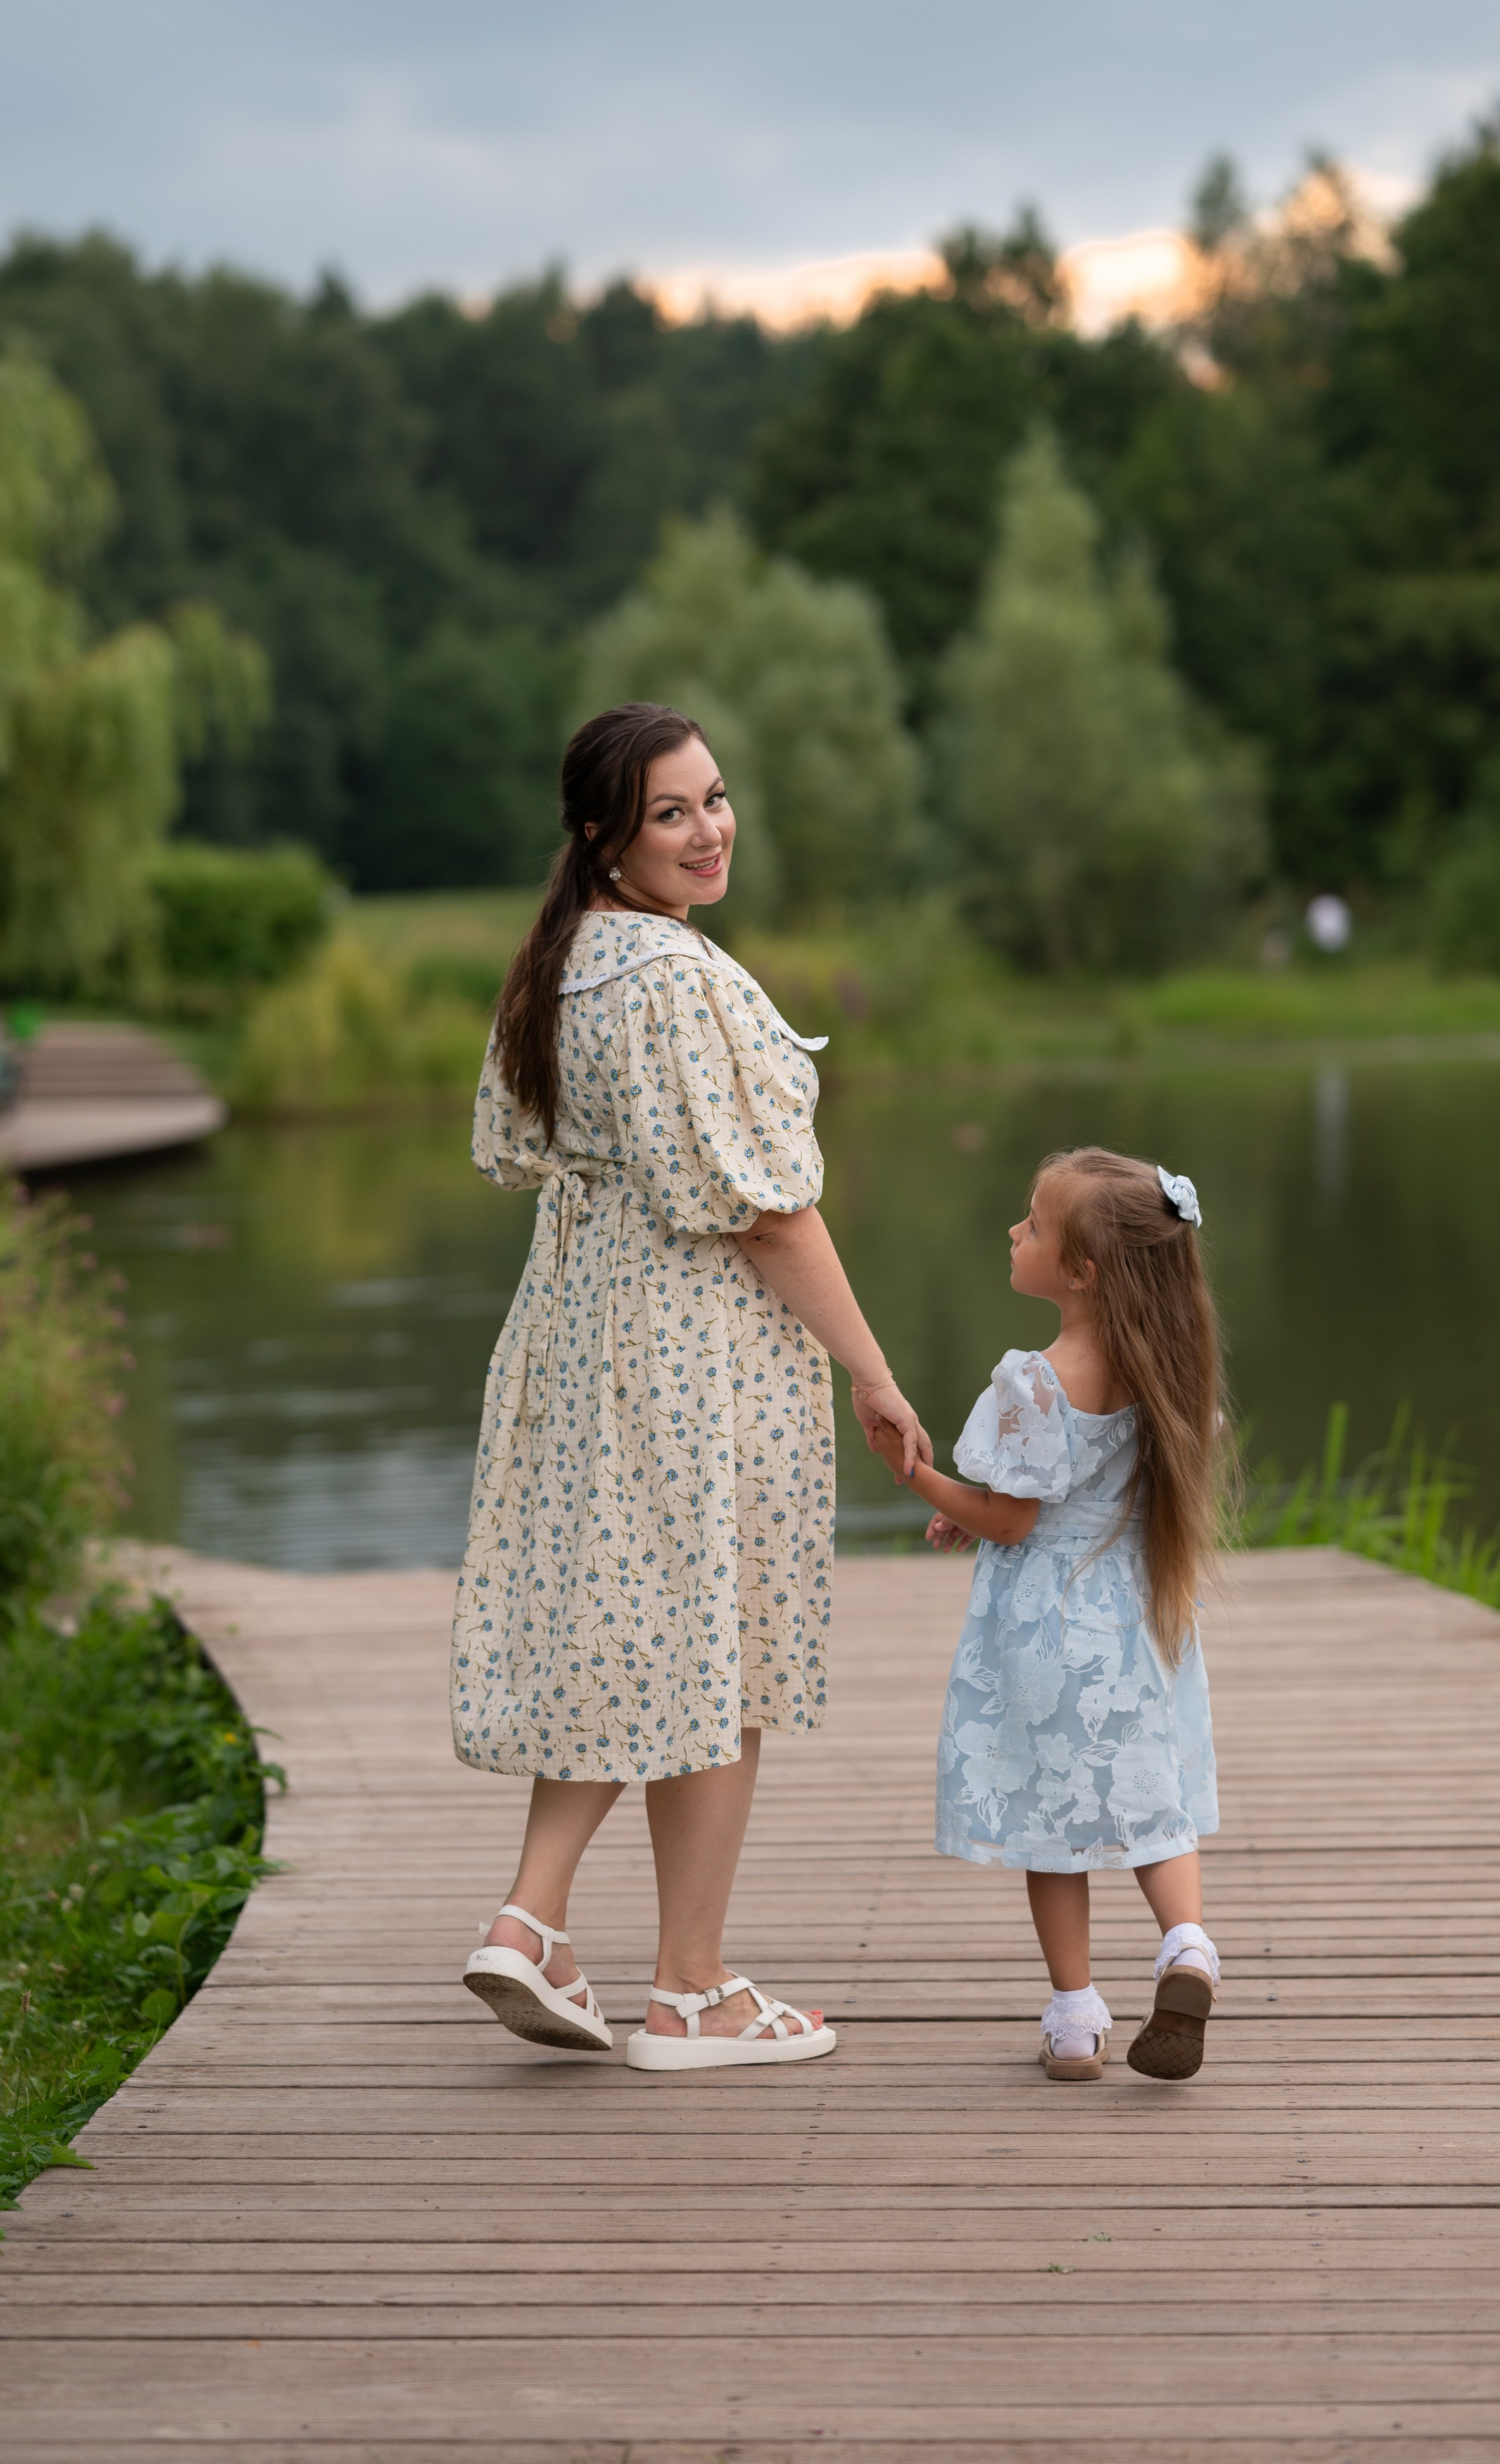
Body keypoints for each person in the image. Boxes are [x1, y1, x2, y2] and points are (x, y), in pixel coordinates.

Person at [453, 701, 929, 2073]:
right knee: (714, 1652)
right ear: (607, 831)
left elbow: (520, 1150)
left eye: (715, 798)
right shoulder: (668, 974)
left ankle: (532, 1919)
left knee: (634, 1630)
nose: (710, 827)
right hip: (693, 1351)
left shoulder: (560, 964)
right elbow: (764, 1215)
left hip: (581, 1334)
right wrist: (873, 1371)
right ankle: (692, 1991)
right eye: (673, 811)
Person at [879, 1147, 1227, 2083]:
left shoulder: (1038, 1380)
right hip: (1138, 1621)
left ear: (1080, 1270)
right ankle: (1187, 1944)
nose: (1013, 1232)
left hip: (1048, 1629)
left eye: (1032, 1225)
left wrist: (919, 1477)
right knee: (1153, 1802)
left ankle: (1075, 2023)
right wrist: (975, 1523)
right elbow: (1084, 1491)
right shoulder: (1169, 1361)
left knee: (1052, 1822)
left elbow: (1015, 1514)